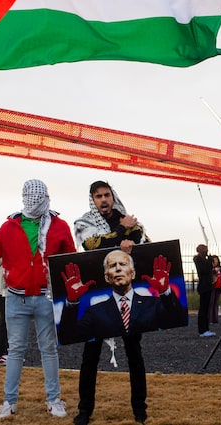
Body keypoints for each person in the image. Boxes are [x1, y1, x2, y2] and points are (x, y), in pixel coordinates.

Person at [0, 179, 75, 419]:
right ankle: (9, 400)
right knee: (15, 351)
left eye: (38, 196)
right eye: (30, 197)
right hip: (16, 298)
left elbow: (70, 260)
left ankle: (54, 399)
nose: (34, 201)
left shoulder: (59, 226)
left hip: (47, 296)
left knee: (49, 349)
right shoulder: (10, 226)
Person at [72, 181, 150, 425]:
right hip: (97, 300)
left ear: (112, 196)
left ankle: (140, 410)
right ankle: (84, 411)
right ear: (92, 199)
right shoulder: (84, 222)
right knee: (90, 357)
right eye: (98, 196)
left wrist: (132, 247)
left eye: (107, 195)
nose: (104, 200)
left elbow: (146, 245)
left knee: (134, 355)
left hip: (127, 297)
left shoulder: (130, 221)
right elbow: (92, 245)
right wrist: (119, 233)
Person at [60, 250, 187, 342]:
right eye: (112, 266)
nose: (118, 269)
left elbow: (179, 321)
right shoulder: (95, 312)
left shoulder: (153, 304)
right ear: (106, 277)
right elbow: (68, 338)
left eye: (123, 264)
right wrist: (72, 301)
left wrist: (165, 291)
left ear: (133, 273)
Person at [194, 243, 215, 337]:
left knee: (206, 308)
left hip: (207, 285)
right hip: (204, 286)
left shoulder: (203, 260)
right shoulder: (198, 259)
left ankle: (206, 328)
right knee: (203, 308)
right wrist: (209, 262)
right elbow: (205, 269)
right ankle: (202, 329)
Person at [209, 254, 221, 324]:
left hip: (218, 287)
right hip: (212, 287)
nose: (216, 261)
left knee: (215, 303)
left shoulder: (220, 268)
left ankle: (215, 319)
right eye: (214, 260)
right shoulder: (210, 268)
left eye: (216, 260)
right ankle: (210, 318)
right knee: (211, 303)